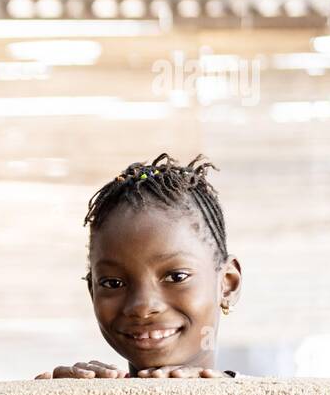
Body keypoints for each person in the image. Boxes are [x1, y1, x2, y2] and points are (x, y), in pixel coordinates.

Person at [37, 153, 242, 380]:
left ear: (228, 284)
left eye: (176, 277)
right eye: (113, 283)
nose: (143, 306)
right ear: (93, 291)